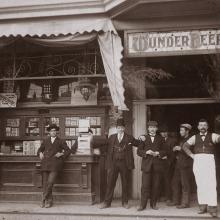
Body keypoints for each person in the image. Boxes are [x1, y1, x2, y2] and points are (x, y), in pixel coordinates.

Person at [182, 119, 220, 218]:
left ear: (207, 127)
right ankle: (202, 207)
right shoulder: (194, 137)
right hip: (198, 160)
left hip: (209, 159)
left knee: (211, 183)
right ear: (198, 127)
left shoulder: (213, 135)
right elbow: (184, 146)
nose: (202, 127)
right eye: (201, 125)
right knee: (200, 183)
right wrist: (191, 155)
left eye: (204, 125)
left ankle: (212, 208)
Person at [100, 118, 141, 209]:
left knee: (125, 183)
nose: (120, 129)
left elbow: (138, 144)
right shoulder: (112, 137)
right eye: (119, 127)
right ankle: (107, 203)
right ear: (116, 128)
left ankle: (125, 202)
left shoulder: (129, 137)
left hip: (125, 164)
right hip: (113, 163)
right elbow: (105, 147)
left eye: (122, 127)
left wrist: (143, 138)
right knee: (110, 183)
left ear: (124, 128)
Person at [37, 124, 71, 208]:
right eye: (51, 131)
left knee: (50, 182)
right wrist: (40, 153)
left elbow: (68, 150)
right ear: (49, 132)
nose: (53, 132)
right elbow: (40, 149)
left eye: (54, 131)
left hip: (55, 164)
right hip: (45, 164)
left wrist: (61, 153)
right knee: (46, 184)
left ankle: (43, 199)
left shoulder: (61, 141)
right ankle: (49, 201)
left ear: (56, 132)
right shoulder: (45, 140)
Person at [137, 121, 167, 211]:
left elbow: (165, 151)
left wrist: (158, 153)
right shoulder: (143, 138)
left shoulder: (161, 138)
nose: (152, 129)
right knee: (145, 186)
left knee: (156, 185)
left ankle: (153, 204)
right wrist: (146, 152)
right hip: (147, 166)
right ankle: (142, 205)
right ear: (148, 128)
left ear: (156, 129)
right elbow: (138, 151)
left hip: (157, 166)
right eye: (151, 127)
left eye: (154, 127)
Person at [169, 123, 193, 209]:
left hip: (186, 165)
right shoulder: (182, 139)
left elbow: (193, 152)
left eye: (182, 130)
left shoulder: (191, 139)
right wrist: (177, 153)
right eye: (180, 130)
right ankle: (176, 201)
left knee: (185, 184)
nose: (180, 132)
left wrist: (180, 149)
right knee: (175, 182)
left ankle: (185, 203)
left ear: (187, 131)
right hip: (178, 164)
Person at [159, 125, 177, 205]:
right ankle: (160, 196)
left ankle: (168, 197)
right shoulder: (158, 140)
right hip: (159, 162)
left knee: (168, 180)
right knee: (159, 180)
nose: (164, 134)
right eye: (162, 132)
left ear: (168, 132)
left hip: (169, 163)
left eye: (165, 132)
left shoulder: (173, 140)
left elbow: (175, 152)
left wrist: (168, 158)